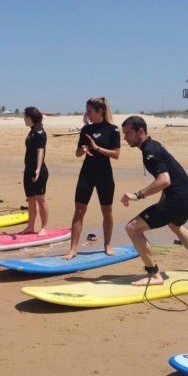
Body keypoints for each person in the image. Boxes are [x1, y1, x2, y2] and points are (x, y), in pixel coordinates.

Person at [119, 116, 188, 285]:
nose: (125, 138)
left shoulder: (150, 151)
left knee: (132, 228)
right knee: (175, 226)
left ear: (140, 131)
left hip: (178, 201)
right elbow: (171, 182)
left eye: (127, 133)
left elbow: (164, 180)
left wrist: (137, 195)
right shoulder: (154, 146)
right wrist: (163, 200)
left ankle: (154, 275)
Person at [63, 97, 120, 260]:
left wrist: (97, 148)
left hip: (104, 175)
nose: (86, 114)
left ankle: (107, 245)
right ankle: (73, 249)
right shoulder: (85, 130)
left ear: (99, 111)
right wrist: (84, 148)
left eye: (89, 111)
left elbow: (116, 154)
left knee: (107, 211)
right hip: (87, 174)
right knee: (79, 211)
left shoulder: (113, 129)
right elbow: (77, 153)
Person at [19, 106, 49, 235]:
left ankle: (44, 227)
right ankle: (30, 227)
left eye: (25, 116)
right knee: (30, 199)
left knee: (40, 199)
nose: (24, 119)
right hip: (29, 170)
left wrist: (37, 169)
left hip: (39, 171)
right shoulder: (32, 131)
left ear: (30, 117)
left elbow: (40, 152)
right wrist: (27, 168)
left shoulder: (40, 132)